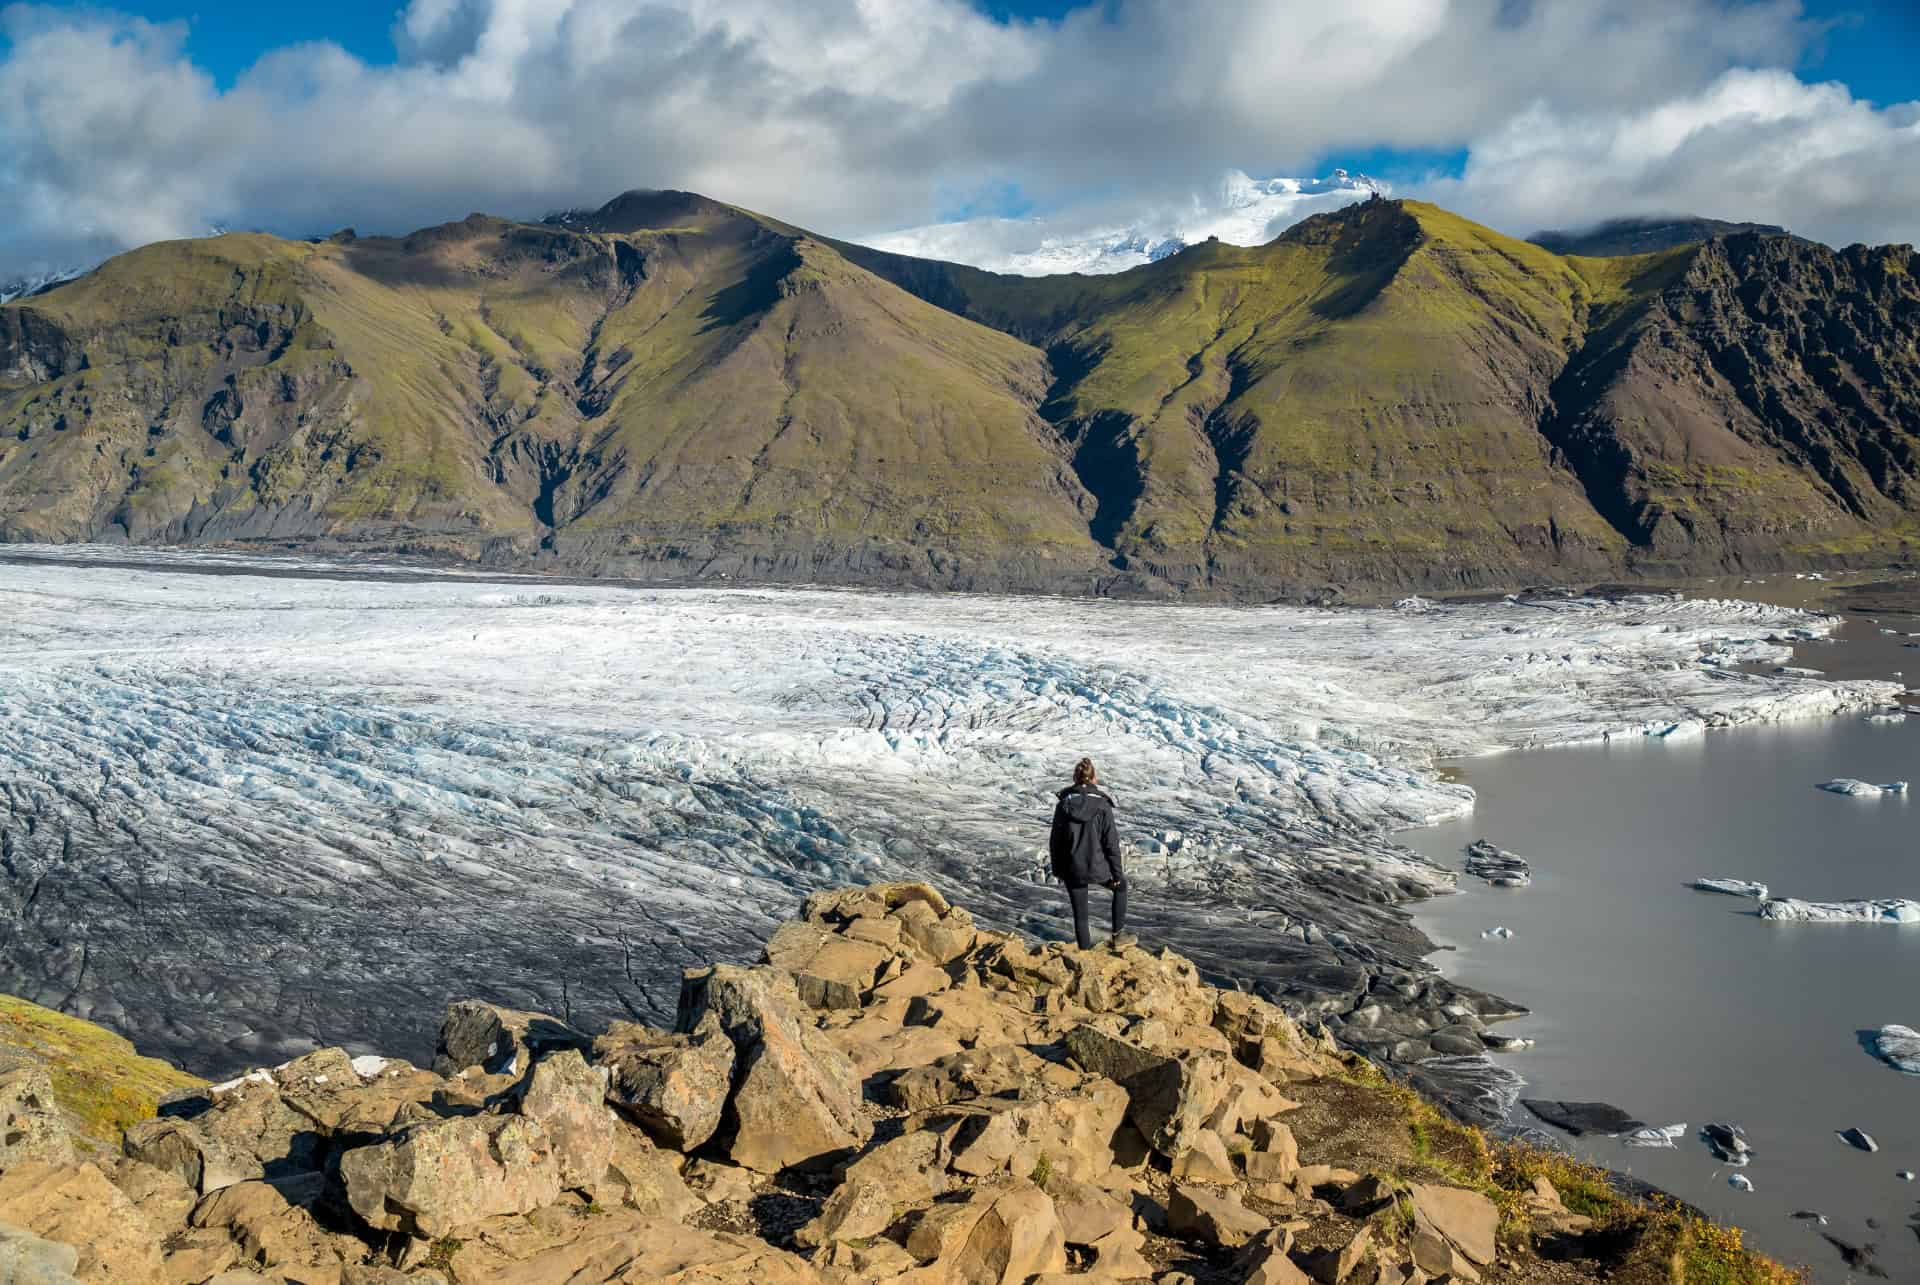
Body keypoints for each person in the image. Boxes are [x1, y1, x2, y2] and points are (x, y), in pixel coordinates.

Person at [1049, 757, 1133, 950]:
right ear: (1094, 778)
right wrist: (1117, 874)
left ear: (1074, 778)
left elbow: (1055, 841)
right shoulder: (1102, 805)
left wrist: (1058, 869)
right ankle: (1118, 935)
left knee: (1081, 915)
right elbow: (1111, 844)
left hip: (1072, 868)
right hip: (1098, 866)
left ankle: (1085, 957)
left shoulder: (1064, 805)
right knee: (1121, 887)